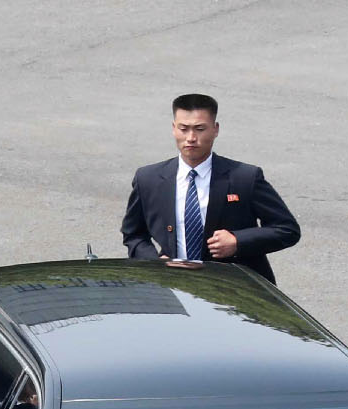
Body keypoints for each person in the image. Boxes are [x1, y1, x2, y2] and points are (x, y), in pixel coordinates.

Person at [120, 93, 300, 284]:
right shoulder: (149, 179)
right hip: (173, 285)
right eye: (184, 129)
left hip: (234, 287)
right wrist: (153, 262)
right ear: (174, 129)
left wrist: (238, 241)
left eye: (199, 129)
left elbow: (287, 229)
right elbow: (133, 233)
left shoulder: (244, 177)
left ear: (215, 130)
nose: (191, 138)